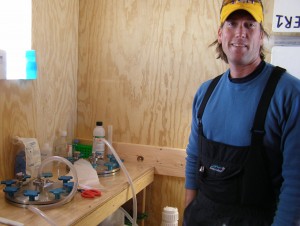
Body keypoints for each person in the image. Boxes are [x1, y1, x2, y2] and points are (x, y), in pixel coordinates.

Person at [184, 0, 300, 225]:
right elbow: (194, 158)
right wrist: (188, 214)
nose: (240, 32)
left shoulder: (290, 94)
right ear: (220, 34)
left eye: (249, 25)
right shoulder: (205, 93)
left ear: (261, 36)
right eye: (232, 24)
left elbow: (296, 184)